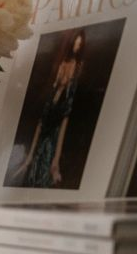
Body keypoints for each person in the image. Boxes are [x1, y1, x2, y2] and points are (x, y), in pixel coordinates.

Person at [10, 29, 85, 188]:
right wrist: (29, 158)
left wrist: (55, 162)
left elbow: (61, 129)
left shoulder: (75, 72)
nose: (77, 47)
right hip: (50, 114)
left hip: (52, 140)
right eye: (75, 43)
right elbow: (41, 124)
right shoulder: (60, 70)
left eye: (80, 45)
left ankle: (47, 169)